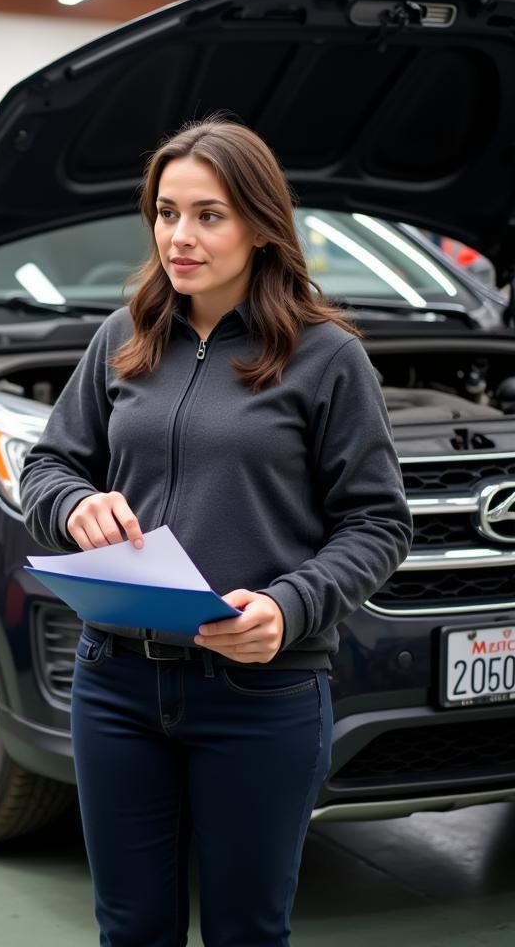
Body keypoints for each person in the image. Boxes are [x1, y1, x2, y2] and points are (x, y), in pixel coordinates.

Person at [20, 119, 413, 947]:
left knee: (246, 932)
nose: (179, 237)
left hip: (260, 696)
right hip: (116, 683)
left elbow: (378, 523)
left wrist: (289, 606)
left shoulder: (326, 357)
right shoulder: (122, 340)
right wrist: (72, 506)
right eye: (166, 213)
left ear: (262, 225)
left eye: (210, 215)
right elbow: (47, 468)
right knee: (130, 929)